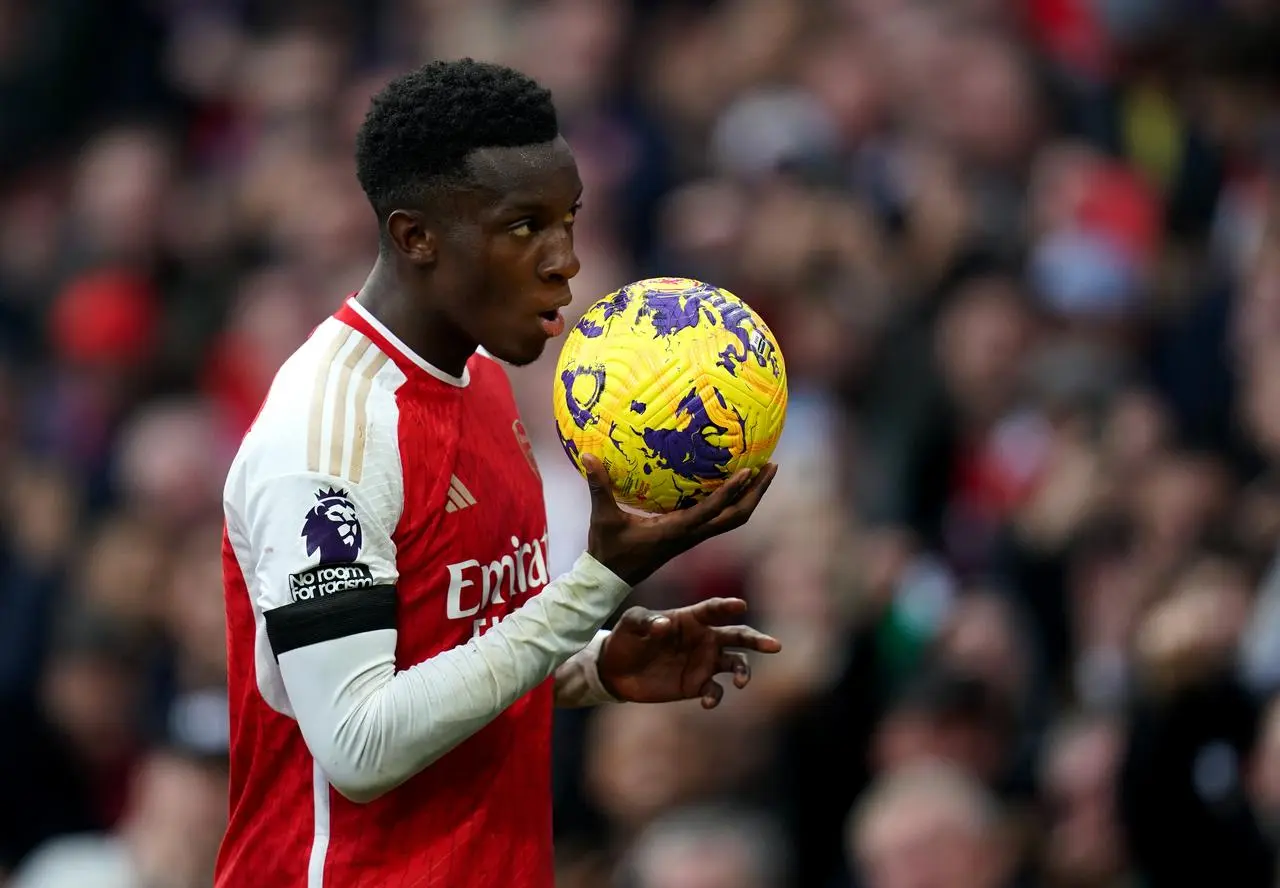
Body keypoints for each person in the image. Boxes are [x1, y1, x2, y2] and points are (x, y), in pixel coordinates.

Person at [215, 58, 780, 888]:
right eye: (524, 227)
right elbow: (360, 745)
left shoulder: (478, 378)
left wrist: (590, 667)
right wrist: (598, 582)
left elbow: (449, 649)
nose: (566, 261)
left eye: (569, 220)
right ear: (417, 237)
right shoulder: (324, 440)